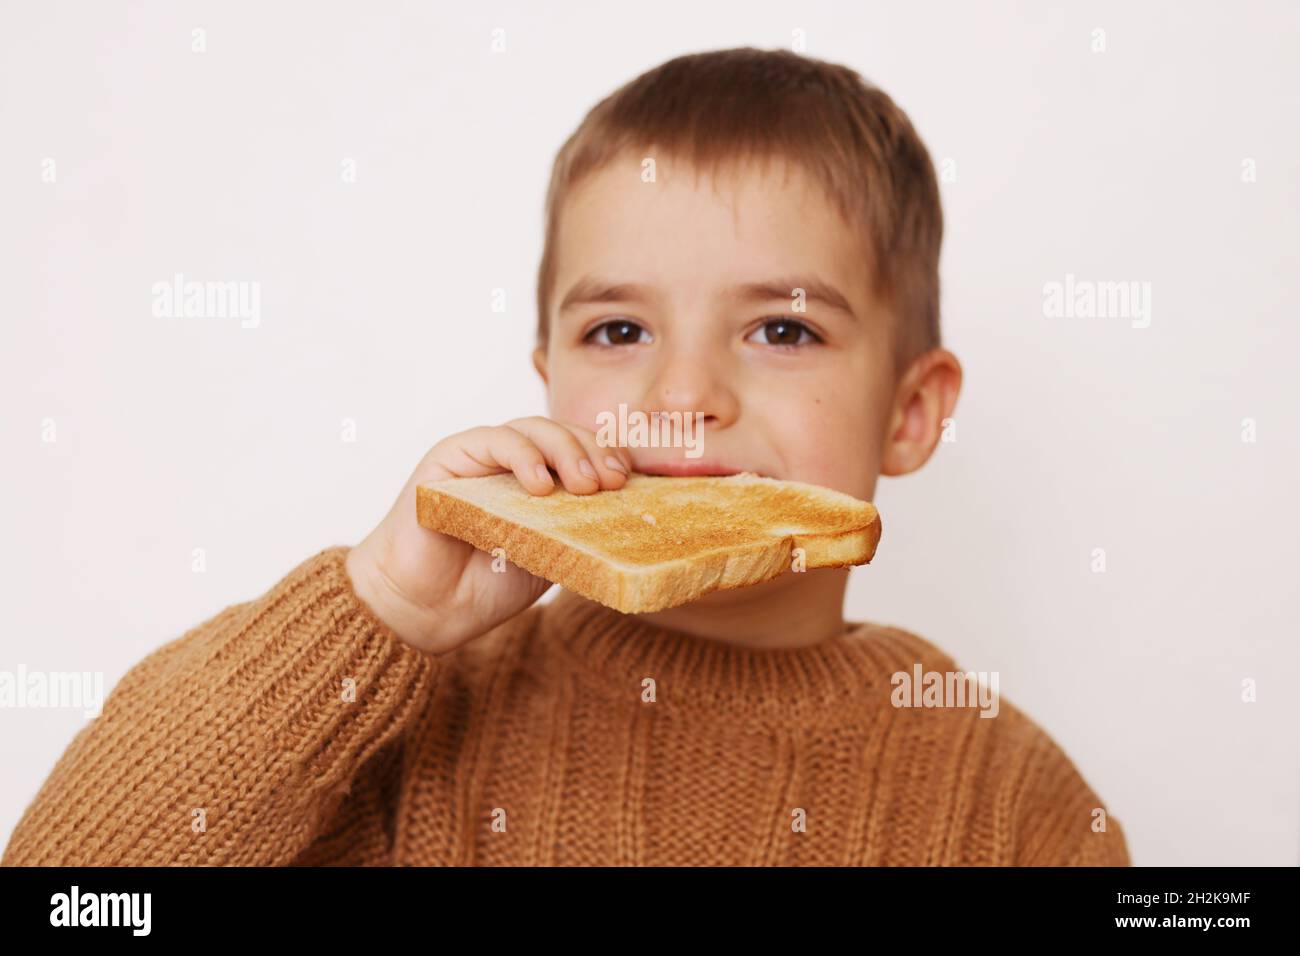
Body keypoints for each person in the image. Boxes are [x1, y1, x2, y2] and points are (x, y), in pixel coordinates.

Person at [2, 46, 1129, 866]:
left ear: (911, 413)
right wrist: (376, 603)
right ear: (548, 379)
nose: (681, 397)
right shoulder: (413, 716)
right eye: (618, 331)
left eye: (782, 329)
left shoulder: (1005, 795)